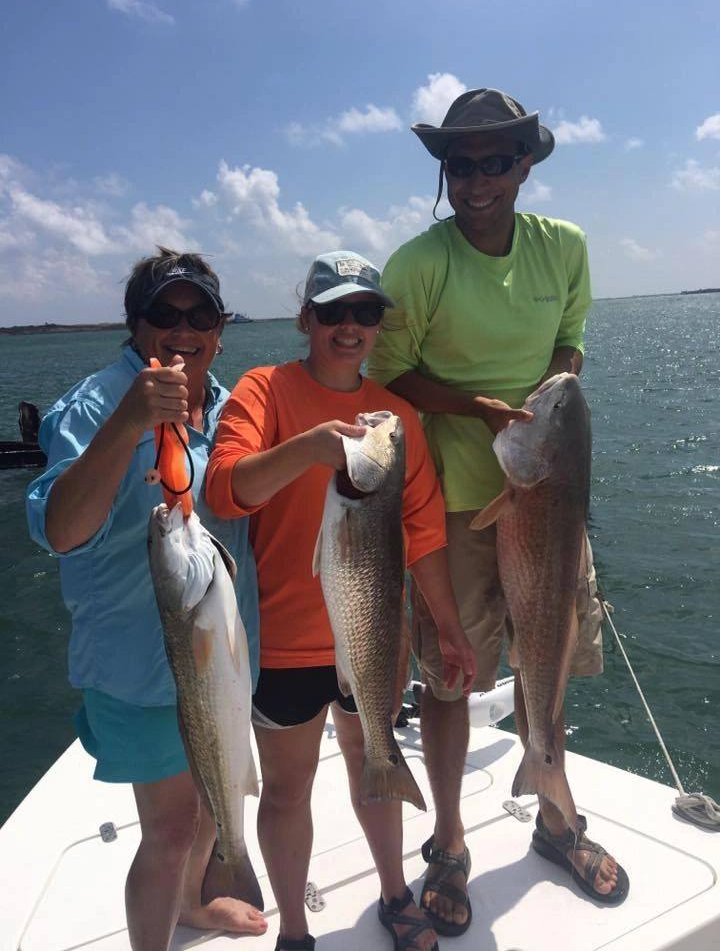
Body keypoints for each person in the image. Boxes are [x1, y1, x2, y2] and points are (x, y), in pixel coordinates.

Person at [367, 88, 629, 935]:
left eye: (493, 161)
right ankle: (448, 844)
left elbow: (573, 337)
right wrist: (481, 409)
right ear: (445, 171)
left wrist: (548, 398)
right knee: (448, 680)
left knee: (548, 662)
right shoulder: (417, 264)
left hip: (549, 495)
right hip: (452, 506)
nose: (475, 179)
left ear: (525, 163)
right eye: (459, 163)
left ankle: (558, 821)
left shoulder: (568, 248)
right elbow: (390, 374)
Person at [205, 250, 476, 951]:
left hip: (377, 632)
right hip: (287, 644)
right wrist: (310, 450)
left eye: (365, 313)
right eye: (334, 312)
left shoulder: (396, 417)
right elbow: (224, 487)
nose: (350, 326)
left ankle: (395, 891)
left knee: (374, 760)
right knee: (287, 790)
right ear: (307, 318)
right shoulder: (263, 390)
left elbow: (422, 535)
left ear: (379, 326)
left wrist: (448, 628)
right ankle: (294, 930)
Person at [26, 248, 267, 951]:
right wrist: (128, 423)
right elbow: (62, 532)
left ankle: (192, 904)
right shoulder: (96, 404)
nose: (183, 328)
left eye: (201, 314)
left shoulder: (233, 406)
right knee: (169, 829)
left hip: (222, 657)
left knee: (207, 805)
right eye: (165, 313)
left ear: (221, 329)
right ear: (136, 325)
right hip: (139, 670)